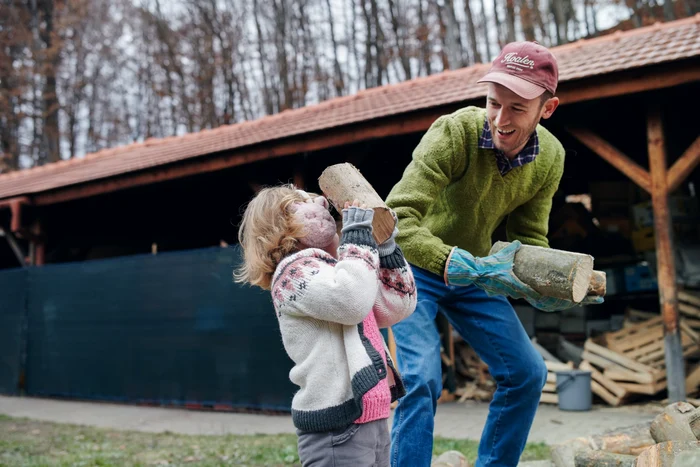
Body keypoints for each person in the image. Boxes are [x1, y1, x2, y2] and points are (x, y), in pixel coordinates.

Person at [385, 41, 600, 467]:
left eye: (517, 108)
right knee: (421, 377)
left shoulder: (550, 157)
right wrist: (451, 261)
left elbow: (529, 236)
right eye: (493, 103)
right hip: (415, 267)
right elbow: (397, 218)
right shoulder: (454, 133)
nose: (501, 120)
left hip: (476, 274)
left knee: (527, 374)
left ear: (548, 108)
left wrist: (547, 283)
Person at [235, 184, 416, 466]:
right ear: (279, 226)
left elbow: (398, 305)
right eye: (301, 202)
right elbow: (352, 300)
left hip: (373, 417)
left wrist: (387, 248)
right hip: (337, 429)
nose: (321, 202)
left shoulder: (341, 268)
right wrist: (356, 237)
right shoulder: (292, 274)